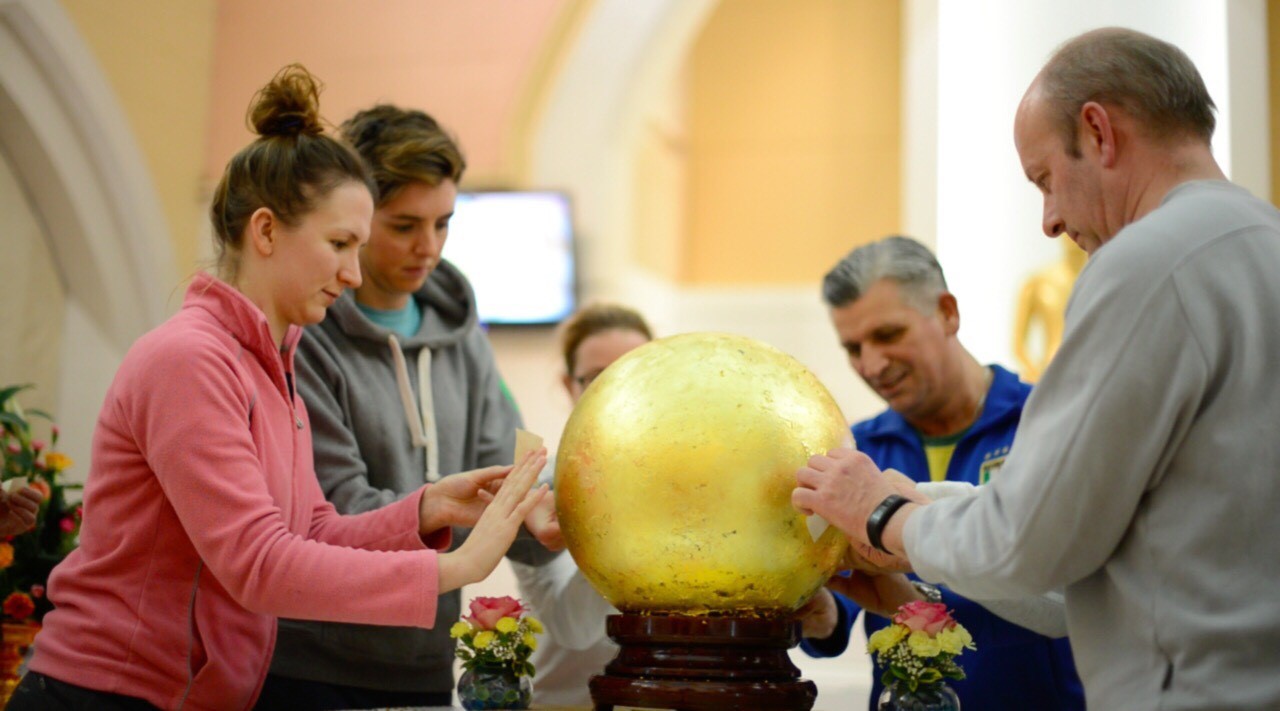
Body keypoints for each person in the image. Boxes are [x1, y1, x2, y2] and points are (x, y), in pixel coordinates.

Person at [13, 65, 547, 710]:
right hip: (106, 694)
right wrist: (454, 568)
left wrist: (426, 509)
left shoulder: (272, 363)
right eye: (340, 243)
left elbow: (313, 527)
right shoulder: (189, 359)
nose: (354, 274)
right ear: (265, 231)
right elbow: (258, 564)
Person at [792, 28, 1280, 709]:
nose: (1049, 220)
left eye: (1045, 178)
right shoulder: (1261, 240)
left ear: (1099, 131)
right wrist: (922, 526)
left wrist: (884, 515)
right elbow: (1093, 568)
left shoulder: (1146, 260)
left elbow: (1026, 543)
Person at [259, 104, 557, 709]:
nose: (430, 248)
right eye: (404, 226)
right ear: (359, 218)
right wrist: (487, 514)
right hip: (309, 660)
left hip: (424, 654)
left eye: (444, 223)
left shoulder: (464, 339)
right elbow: (335, 509)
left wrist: (552, 516)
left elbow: (505, 479)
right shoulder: (306, 335)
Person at [795, 236, 1082, 709]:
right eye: (853, 347)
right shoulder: (855, 452)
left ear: (948, 313)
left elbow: (1072, 585)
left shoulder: (1046, 421)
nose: (870, 364)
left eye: (887, 335)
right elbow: (843, 602)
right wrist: (819, 612)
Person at [509, 303, 653, 707]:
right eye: (596, 378)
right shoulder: (537, 488)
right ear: (568, 385)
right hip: (564, 701)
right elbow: (571, 626)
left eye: (635, 373)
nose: (616, 390)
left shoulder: (687, 482)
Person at [1012, 238, 1087, 381]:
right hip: (1049, 372)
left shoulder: (1104, 282)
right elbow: (1019, 346)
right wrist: (1037, 377)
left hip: (1090, 376)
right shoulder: (1038, 282)